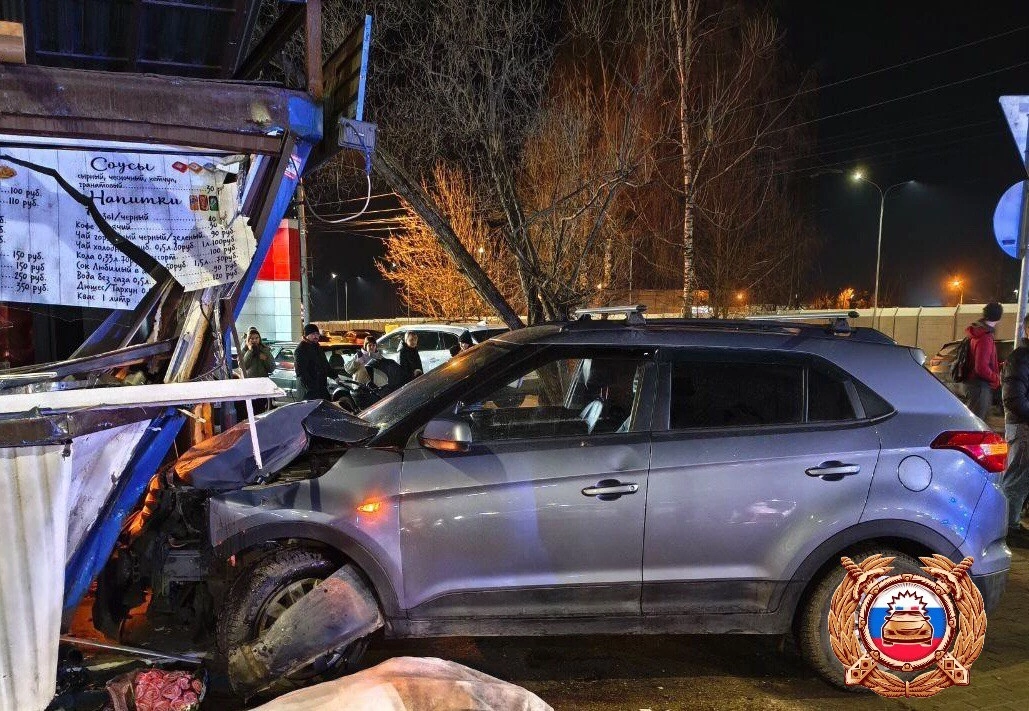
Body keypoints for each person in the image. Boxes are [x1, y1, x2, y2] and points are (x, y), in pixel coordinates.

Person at [1003, 314, 1029, 535]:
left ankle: (1012, 520)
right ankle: (1009, 527)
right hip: (1023, 427)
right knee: (1017, 478)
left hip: (1023, 426)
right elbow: (1013, 400)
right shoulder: (1020, 359)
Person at [965, 302, 1004, 420]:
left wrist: (1000, 365)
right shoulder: (985, 337)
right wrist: (996, 377)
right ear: (998, 317)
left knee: (975, 422)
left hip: (975, 384)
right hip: (980, 386)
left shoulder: (979, 332)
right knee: (977, 424)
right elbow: (981, 368)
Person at [239, 327, 274, 414]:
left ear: (259, 339)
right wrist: (250, 351)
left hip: (262, 384)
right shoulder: (244, 351)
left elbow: (271, 368)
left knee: (261, 408)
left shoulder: (265, 350)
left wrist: (265, 359)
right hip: (250, 384)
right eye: (252, 338)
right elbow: (243, 366)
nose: (254, 340)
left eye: (256, 338)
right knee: (250, 410)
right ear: (248, 339)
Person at [295, 323, 331, 400]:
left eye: (317, 334)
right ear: (307, 335)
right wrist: (311, 388)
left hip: (321, 389)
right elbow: (301, 372)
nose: (316, 336)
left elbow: (325, 364)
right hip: (309, 392)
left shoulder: (317, 347)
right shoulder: (301, 349)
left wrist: (335, 376)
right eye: (313, 334)